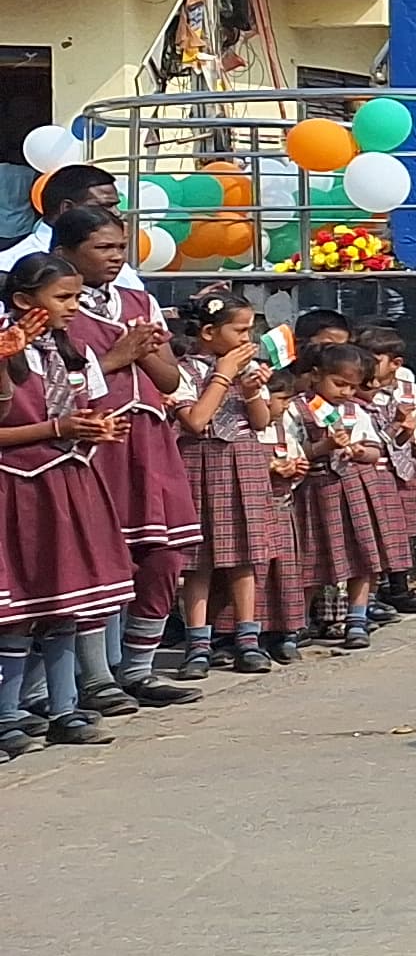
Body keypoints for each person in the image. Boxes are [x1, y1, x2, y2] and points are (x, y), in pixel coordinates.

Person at [52, 204, 202, 707]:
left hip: (149, 440)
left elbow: (170, 380)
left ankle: (139, 667)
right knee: (98, 559)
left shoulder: (138, 300)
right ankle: (96, 677)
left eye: (120, 247)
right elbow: (60, 383)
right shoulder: (59, 309)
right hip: (96, 445)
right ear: (67, 252)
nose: (116, 257)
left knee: (163, 555)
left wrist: (148, 348)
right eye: (103, 248)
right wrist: (120, 354)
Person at [0, 253, 136, 750]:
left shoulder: (75, 353)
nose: (73, 307)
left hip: (69, 485)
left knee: (66, 605)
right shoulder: (5, 350)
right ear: (21, 300)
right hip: (16, 486)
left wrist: (100, 429)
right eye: (62, 297)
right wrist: (56, 428)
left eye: (77, 297)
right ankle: (8, 714)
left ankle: (65, 708)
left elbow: (91, 412)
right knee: (17, 610)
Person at [169, 289, 290, 678]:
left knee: (245, 554)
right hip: (198, 463)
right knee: (198, 560)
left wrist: (254, 391)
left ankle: (247, 637)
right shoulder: (183, 371)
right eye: (239, 331)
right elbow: (195, 420)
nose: (247, 340)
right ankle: (198, 642)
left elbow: (259, 421)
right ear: (208, 332)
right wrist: (223, 375)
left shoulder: (248, 369)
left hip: (243, 461)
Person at [278, 340, 400, 650]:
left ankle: (356, 618)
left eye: (352, 386)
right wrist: (324, 447)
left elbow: (374, 449)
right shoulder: (296, 409)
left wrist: (360, 451)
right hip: (314, 491)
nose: (345, 392)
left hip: (354, 488)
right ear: (317, 375)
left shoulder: (355, 410)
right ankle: (300, 622)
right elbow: (294, 450)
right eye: (339, 384)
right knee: (310, 557)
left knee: (361, 555)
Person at [354, 325, 416, 616]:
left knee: (403, 529)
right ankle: (374, 592)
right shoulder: (357, 393)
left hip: (404, 469)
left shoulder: (408, 390)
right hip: (375, 469)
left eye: (374, 360)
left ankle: (399, 586)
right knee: (377, 530)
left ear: (395, 363)